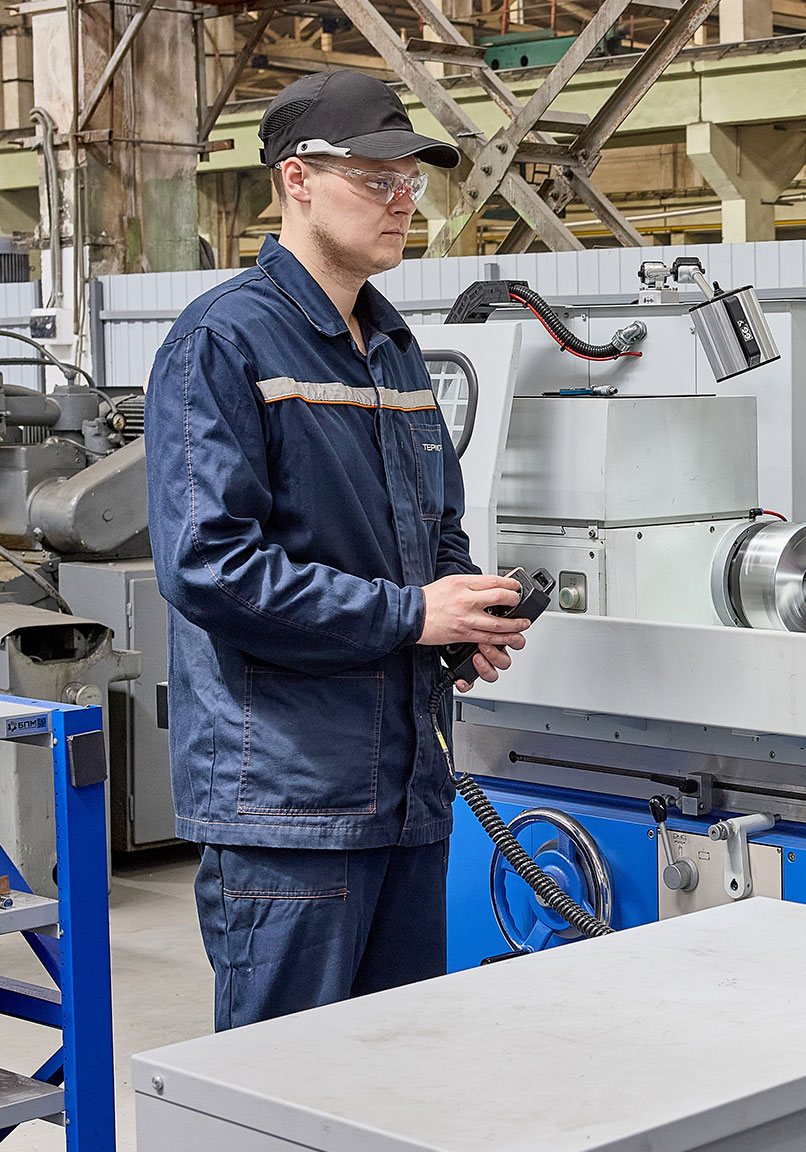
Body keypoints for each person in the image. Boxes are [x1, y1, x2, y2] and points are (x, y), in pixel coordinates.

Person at [145, 70, 529, 1031]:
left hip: (406, 793)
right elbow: (210, 566)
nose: (404, 202)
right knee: (280, 1082)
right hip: (290, 806)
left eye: (412, 182)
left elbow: (435, 527)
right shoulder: (223, 342)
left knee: (393, 1073)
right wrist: (410, 615)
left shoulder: (395, 348)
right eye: (377, 178)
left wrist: (460, 613)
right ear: (298, 179)